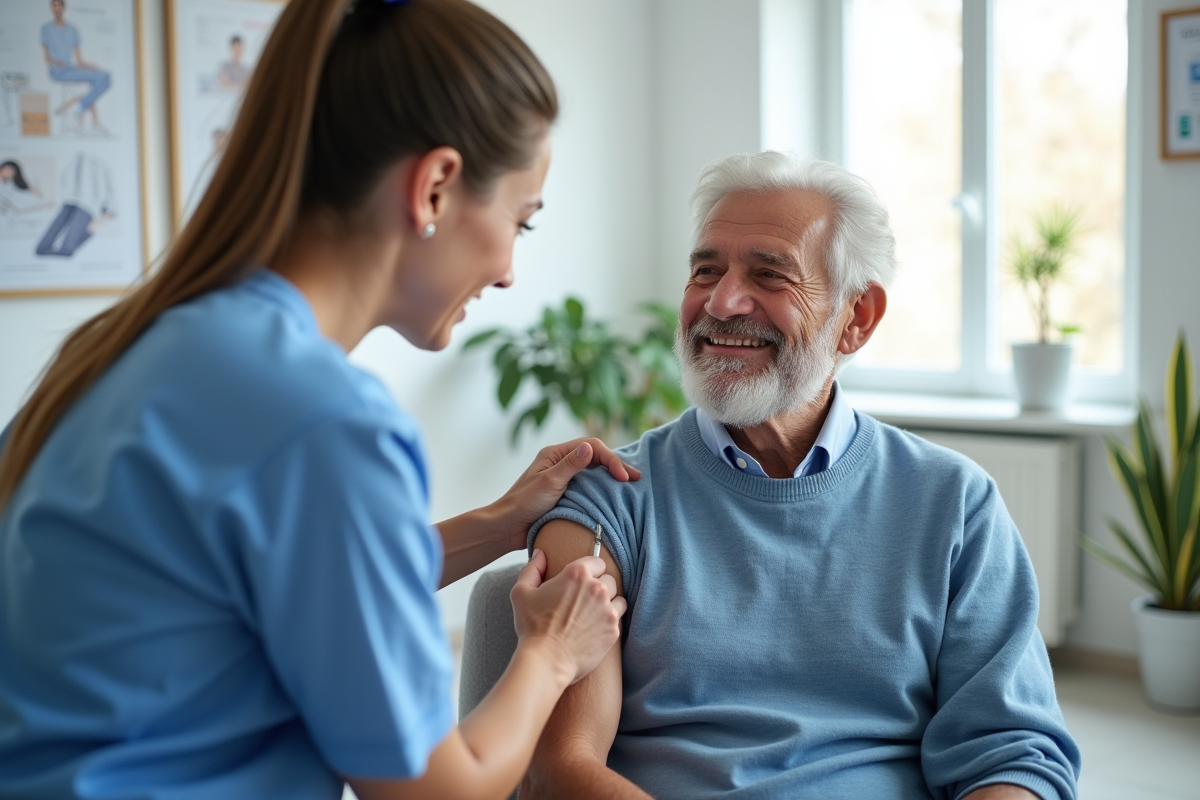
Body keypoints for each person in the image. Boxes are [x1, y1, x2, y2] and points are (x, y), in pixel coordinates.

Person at [0, 1, 632, 798]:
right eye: (521, 222)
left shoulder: (127, 349)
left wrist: (496, 523)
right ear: (435, 187)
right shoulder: (323, 420)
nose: (509, 270)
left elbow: (267, 583)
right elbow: (441, 791)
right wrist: (549, 653)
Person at [523, 152, 1082, 800]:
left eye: (769, 275)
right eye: (706, 270)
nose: (723, 301)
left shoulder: (955, 504)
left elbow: (1011, 755)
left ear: (858, 318)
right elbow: (562, 768)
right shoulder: (607, 497)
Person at [41, 0, 111, 134]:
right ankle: (89, 118)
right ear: (51, 8)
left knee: (105, 76)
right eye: (54, 6)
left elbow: (79, 61)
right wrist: (56, 62)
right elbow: (46, 57)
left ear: (64, 8)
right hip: (57, 71)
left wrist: (93, 67)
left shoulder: (72, 29)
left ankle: (78, 109)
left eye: (59, 6)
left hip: (71, 68)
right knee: (97, 83)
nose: (56, 9)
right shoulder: (46, 28)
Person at [34, 151, 114, 257]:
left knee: (66, 247)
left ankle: (65, 249)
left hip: (85, 203)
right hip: (73, 200)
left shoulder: (97, 163)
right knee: (46, 248)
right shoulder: (79, 160)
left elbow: (109, 190)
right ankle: (63, 249)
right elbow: (63, 177)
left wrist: (103, 216)